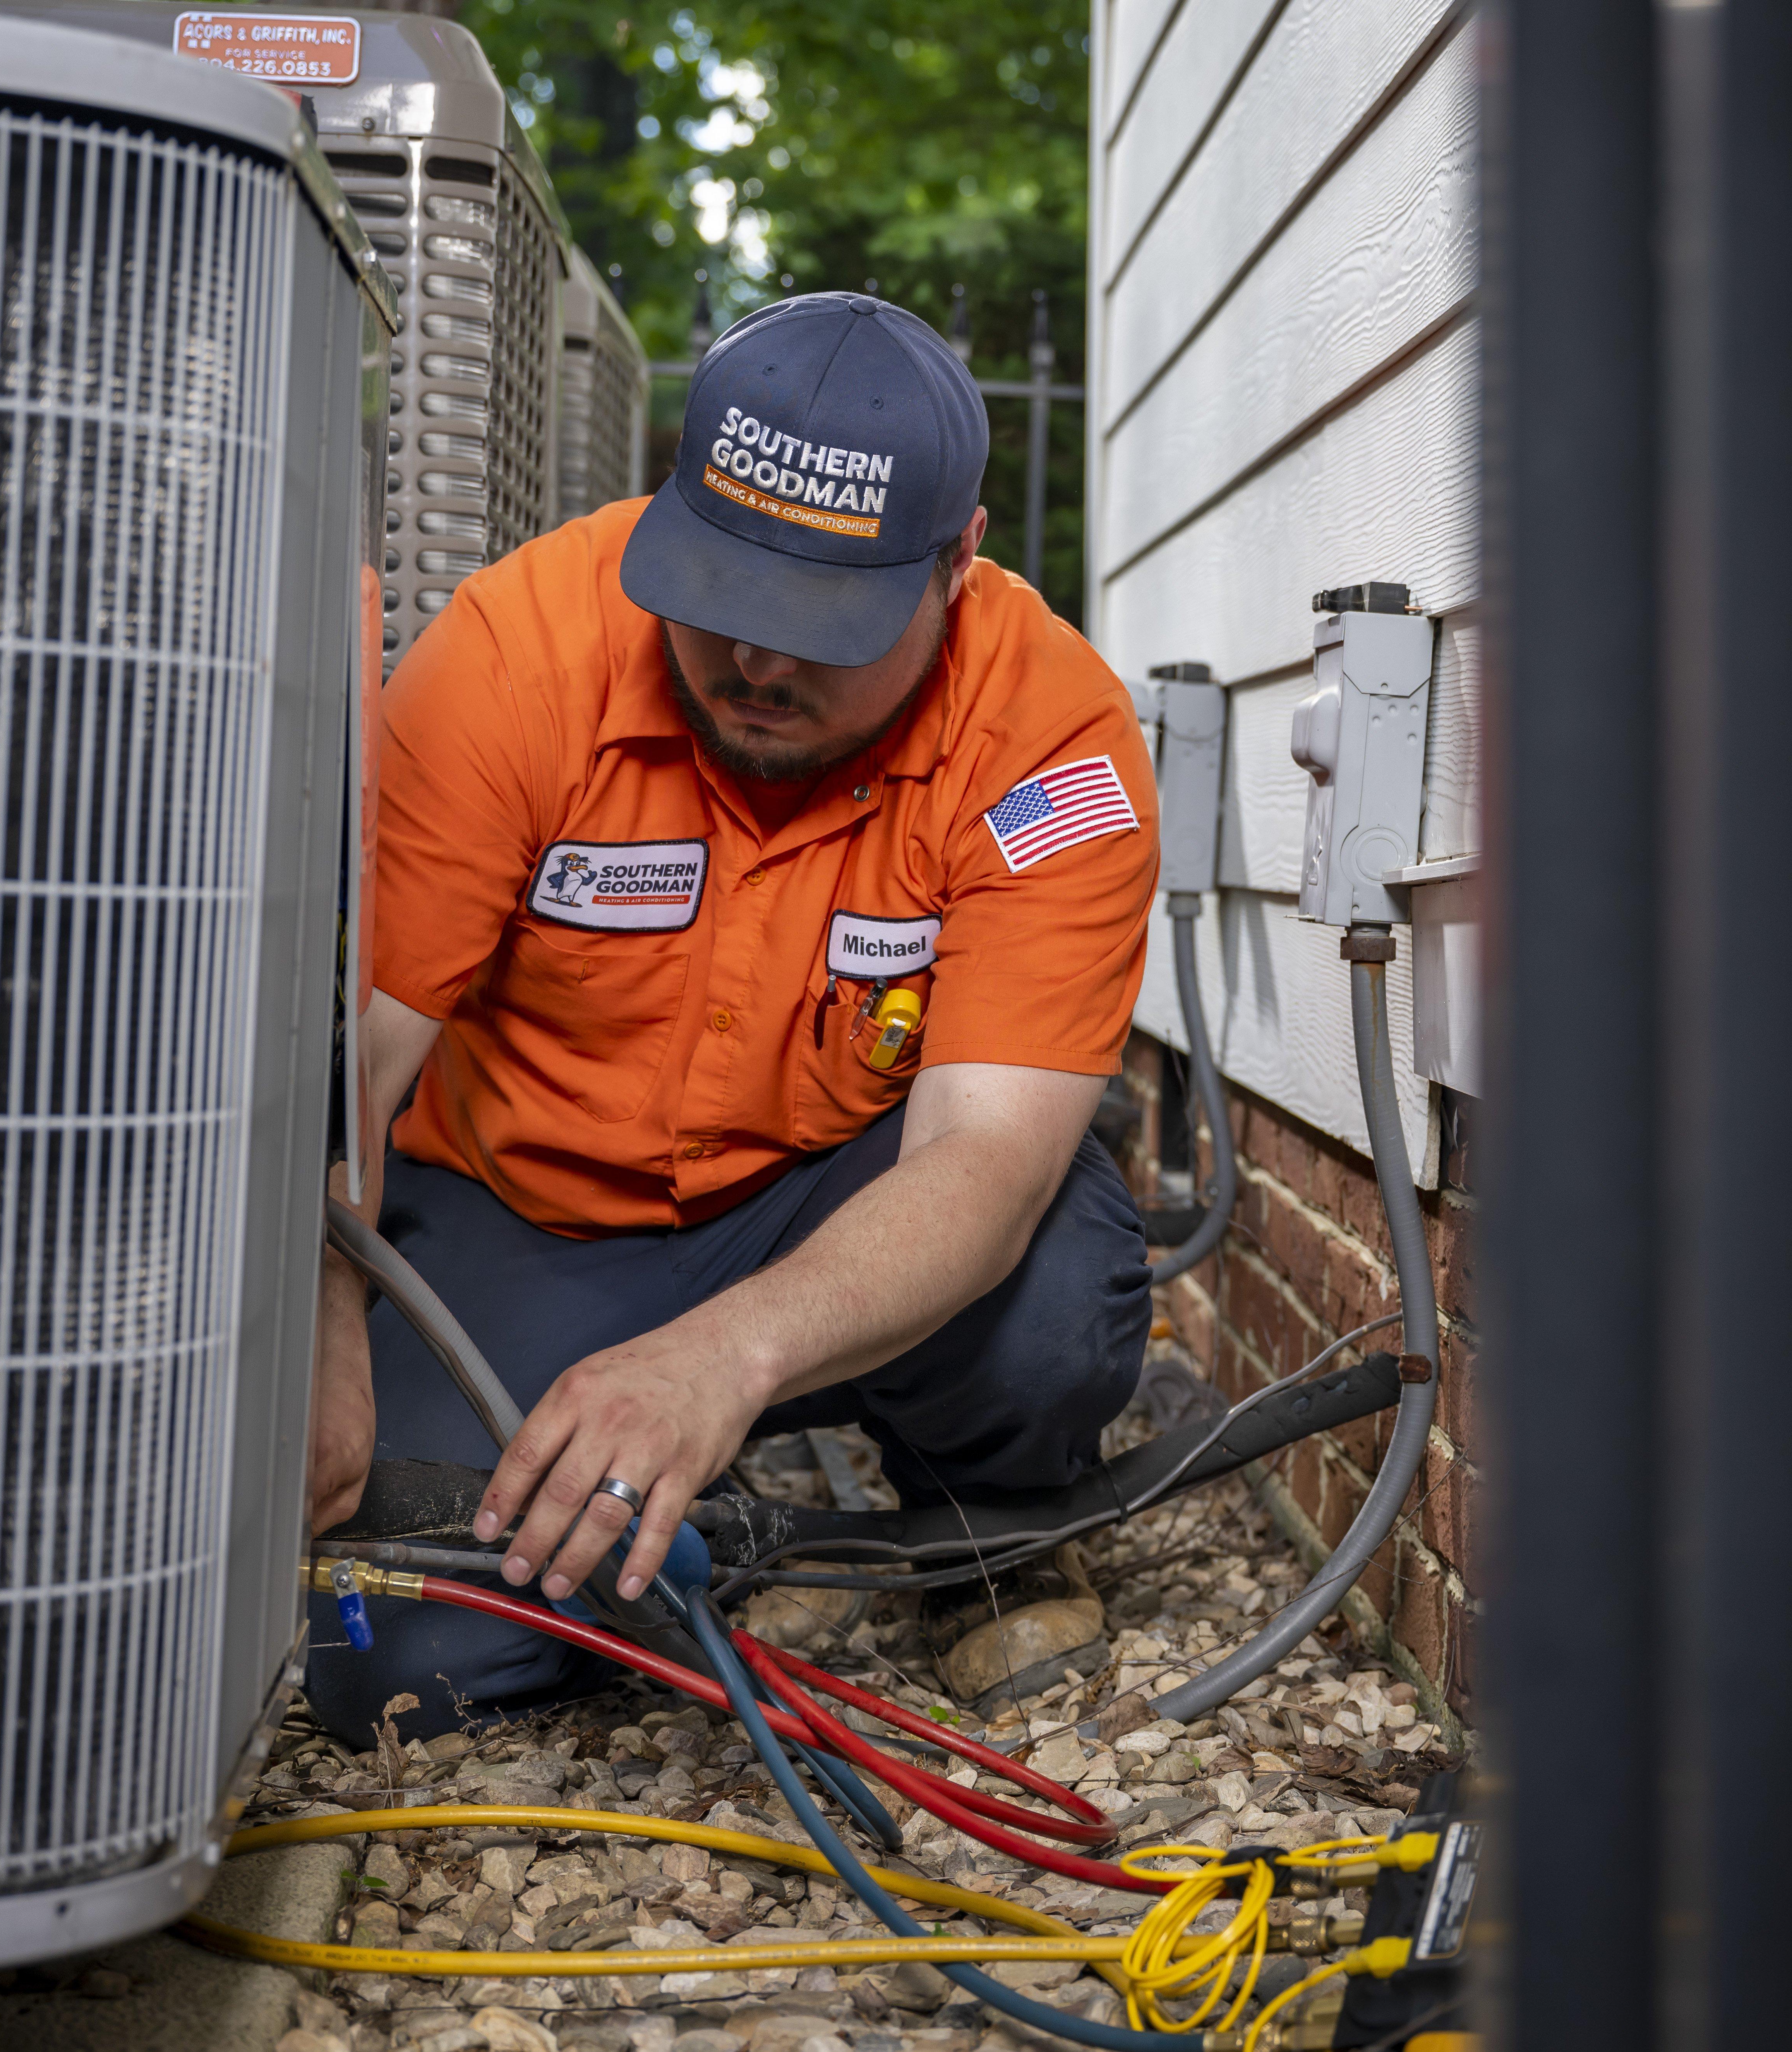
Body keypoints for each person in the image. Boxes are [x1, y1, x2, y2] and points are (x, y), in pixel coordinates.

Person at [304, 293, 1159, 1740]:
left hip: (839, 1190)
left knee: (1056, 1303)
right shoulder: (516, 655)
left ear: (959, 562)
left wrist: (725, 1356)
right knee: (390, 1664)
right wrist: (322, 1320)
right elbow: (351, 1064)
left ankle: (979, 1532)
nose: (759, 666)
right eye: (722, 600)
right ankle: (683, 1539)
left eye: (824, 625)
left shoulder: (1051, 741)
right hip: (531, 1216)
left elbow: (986, 1163)